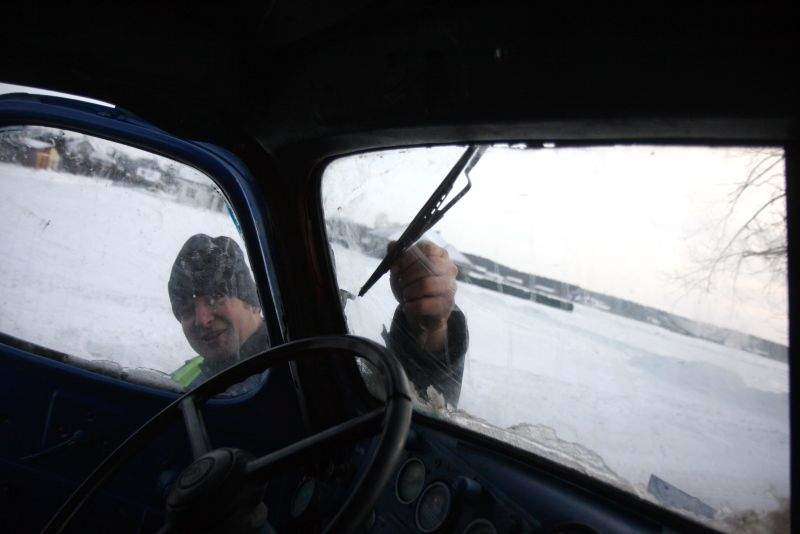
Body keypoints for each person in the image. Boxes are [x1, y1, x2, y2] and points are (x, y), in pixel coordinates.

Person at [168, 234, 468, 404]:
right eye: (186, 309)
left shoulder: (318, 360)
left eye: (216, 297)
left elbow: (413, 405)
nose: (202, 318)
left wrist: (428, 331)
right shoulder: (183, 380)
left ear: (251, 302)